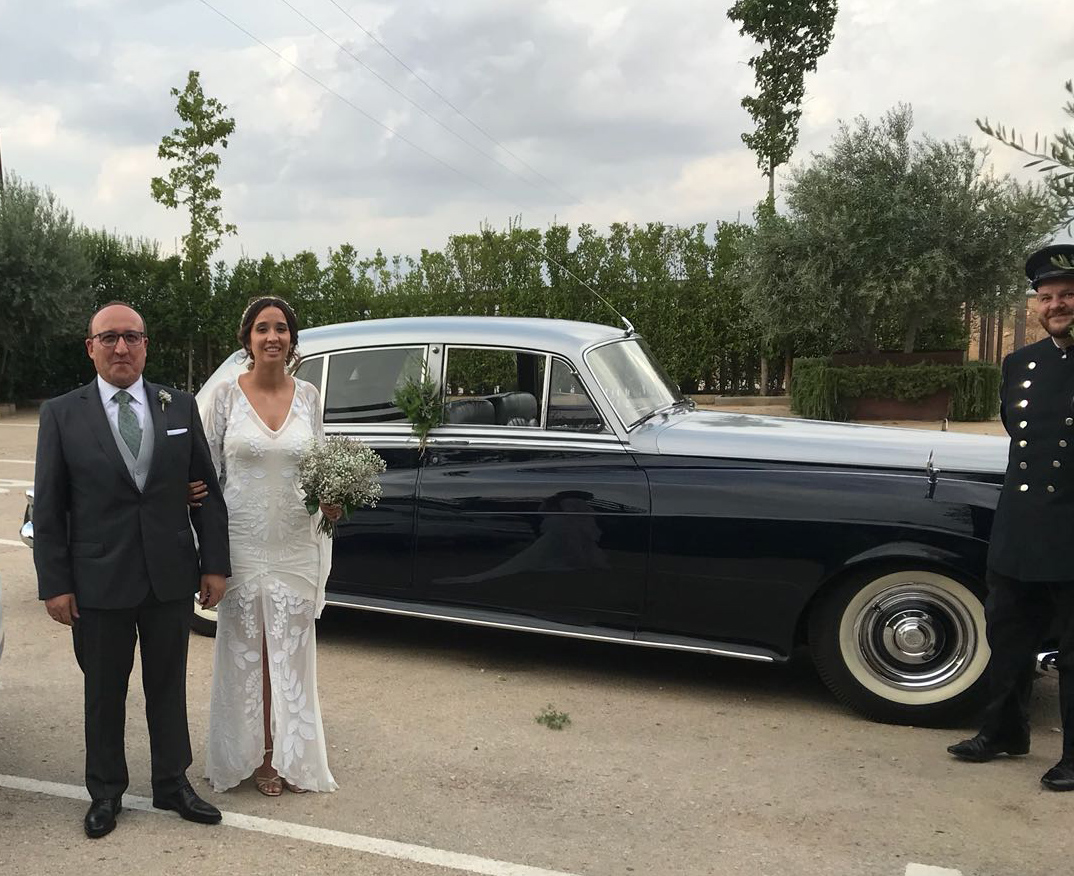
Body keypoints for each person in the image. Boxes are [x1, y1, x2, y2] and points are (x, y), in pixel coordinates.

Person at [33, 302, 231, 838]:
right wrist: (55, 584)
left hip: (169, 574)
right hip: (98, 579)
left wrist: (214, 564)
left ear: (145, 345)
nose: (121, 347)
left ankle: (172, 783)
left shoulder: (178, 406)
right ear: (90, 347)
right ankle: (105, 792)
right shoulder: (62, 414)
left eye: (132, 337)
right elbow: (48, 507)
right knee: (104, 691)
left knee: (168, 685)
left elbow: (206, 492)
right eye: (109, 338)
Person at [948, 243, 1074, 792]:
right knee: (1007, 635)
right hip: (1021, 524)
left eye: (1067, 295)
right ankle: (1003, 732)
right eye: (1046, 297)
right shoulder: (1020, 364)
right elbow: (1022, 441)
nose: (1055, 305)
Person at [201, 296, 339, 796]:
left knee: (292, 653)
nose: (272, 336)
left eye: (281, 328)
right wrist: (206, 552)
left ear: (292, 340)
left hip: (296, 543)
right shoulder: (224, 397)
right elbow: (206, 472)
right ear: (248, 339)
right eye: (262, 328)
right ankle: (257, 755)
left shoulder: (310, 397)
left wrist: (333, 500)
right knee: (249, 654)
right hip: (242, 543)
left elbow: (320, 467)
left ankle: (291, 755)